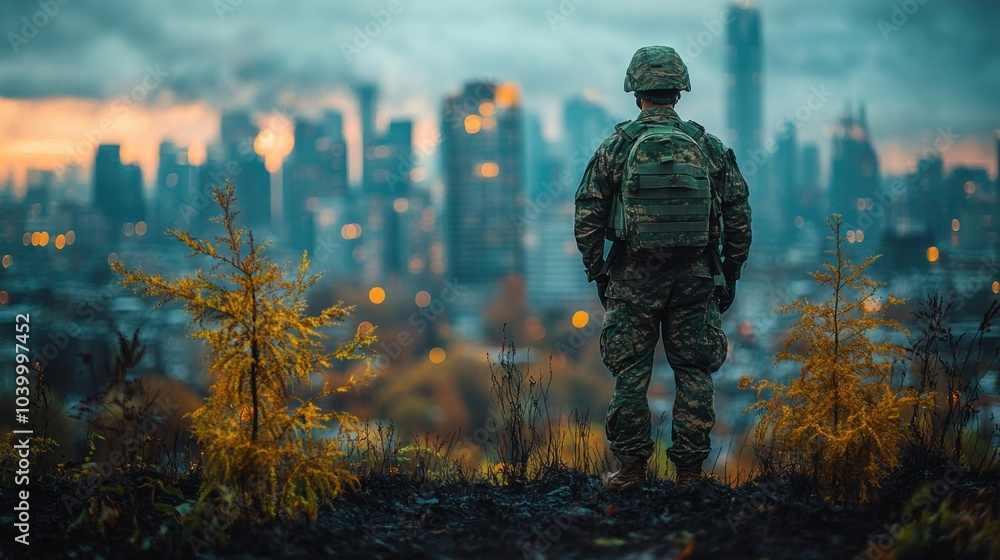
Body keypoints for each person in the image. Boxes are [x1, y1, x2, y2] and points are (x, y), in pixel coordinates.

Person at [574, 45, 752, 491]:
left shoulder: (617, 147)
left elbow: (588, 214)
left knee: (630, 372)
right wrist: (729, 273)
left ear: (636, 93)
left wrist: (599, 271)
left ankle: (631, 471)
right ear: (679, 91)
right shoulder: (707, 147)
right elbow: (739, 215)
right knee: (694, 371)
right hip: (695, 275)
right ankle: (690, 474)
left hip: (634, 275)